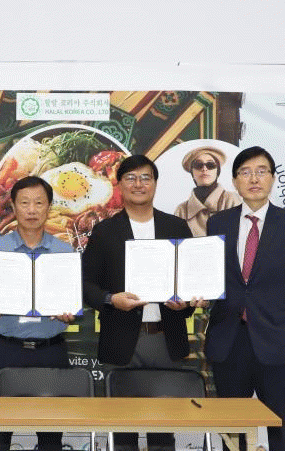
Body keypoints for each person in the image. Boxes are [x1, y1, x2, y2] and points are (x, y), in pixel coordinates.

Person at [82, 154, 205, 451]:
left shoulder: (176, 227)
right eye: (131, 178)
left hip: (166, 339)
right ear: (120, 185)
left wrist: (186, 304)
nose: (139, 184)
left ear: (155, 184)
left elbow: (192, 282)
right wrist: (111, 299)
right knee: (122, 432)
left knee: (162, 431)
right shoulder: (105, 231)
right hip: (122, 340)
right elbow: (86, 285)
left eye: (145, 178)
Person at [205, 146, 285, 451]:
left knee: (281, 429)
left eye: (261, 171)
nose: (253, 179)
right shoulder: (218, 223)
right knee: (233, 432)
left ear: (272, 178)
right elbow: (210, 277)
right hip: (230, 341)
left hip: (278, 341)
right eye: (245, 172)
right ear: (234, 181)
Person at [0, 176, 76, 451]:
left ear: (49, 207)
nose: (31, 210)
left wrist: (69, 312)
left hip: (50, 351)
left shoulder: (64, 252)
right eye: (24, 203)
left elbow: (73, 300)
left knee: (51, 436)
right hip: (6, 350)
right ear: (14, 207)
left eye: (39, 203)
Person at [174, 145, 242, 236]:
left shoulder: (232, 200)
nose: (204, 169)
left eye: (210, 165)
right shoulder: (181, 210)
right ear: (192, 173)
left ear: (217, 171)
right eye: (198, 165)